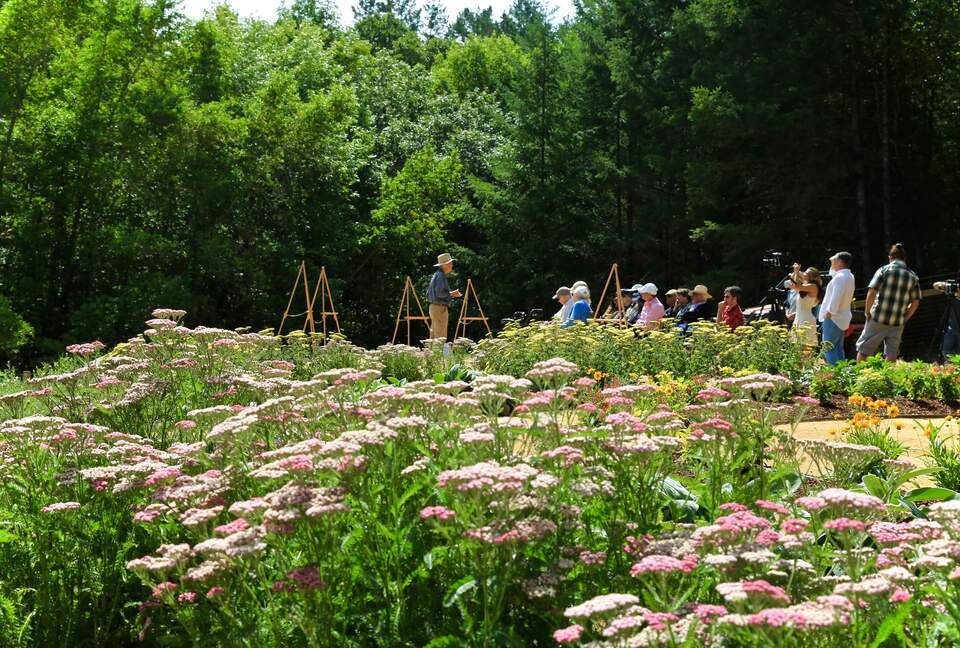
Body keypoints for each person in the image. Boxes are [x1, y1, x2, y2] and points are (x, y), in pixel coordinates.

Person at [856, 243, 921, 362]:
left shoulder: (883, 270)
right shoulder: (913, 276)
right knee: (891, 354)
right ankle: (888, 374)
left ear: (890, 257)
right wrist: (905, 317)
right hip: (898, 321)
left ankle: (861, 374)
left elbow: (871, 293)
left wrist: (867, 312)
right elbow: (915, 302)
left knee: (864, 350)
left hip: (878, 317)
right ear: (905, 259)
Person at [819, 251, 856, 365]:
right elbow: (833, 273)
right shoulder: (849, 276)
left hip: (833, 316)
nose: (832, 262)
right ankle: (842, 373)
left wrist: (830, 312)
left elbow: (836, 297)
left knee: (828, 348)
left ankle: (834, 373)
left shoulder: (839, 277)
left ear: (840, 262)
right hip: (841, 317)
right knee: (838, 348)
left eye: (834, 260)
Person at [427, 252, 461, 341]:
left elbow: (436, 293)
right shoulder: (440, 276)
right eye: (450, 263)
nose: (452, 265)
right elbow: (440, 294)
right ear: (444, 265)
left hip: (435, 308)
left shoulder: (437, 275)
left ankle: (433, 350)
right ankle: (439, 350)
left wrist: (450, 293)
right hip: (439, 309)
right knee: (440, 337)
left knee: (434, 336)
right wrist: (452, 293)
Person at [788, 263, 823, 349]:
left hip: (806, 320)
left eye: (806, 273)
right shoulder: (806, 287)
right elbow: (795, 284)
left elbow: (796, 285)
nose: (804, 274)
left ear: (810, 276)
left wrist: (797, 271)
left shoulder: (813, 286)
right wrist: (796, 272)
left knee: (805, 348)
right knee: (797, 347)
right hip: (800, 317)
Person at [933, 281, 960, 362]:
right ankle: (950, 365)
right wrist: (944, 285)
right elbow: (935, 285)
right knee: (945, 351)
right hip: (952, 328)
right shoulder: (953, 295)